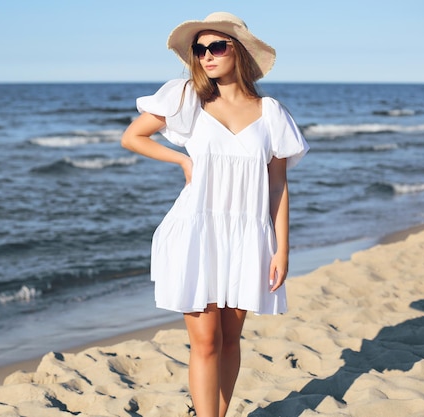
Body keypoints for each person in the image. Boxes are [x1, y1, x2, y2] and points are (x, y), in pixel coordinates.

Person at [121, 11, 309, 417]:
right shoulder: (187, 97)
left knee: (229, 339)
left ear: (237, 51)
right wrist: (182, 163)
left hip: (247, 235)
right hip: (196, 231)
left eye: (216, 47)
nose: (206, 56)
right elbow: (133, 136)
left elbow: (277, 186)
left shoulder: (271, 112)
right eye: (199, 49)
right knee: (205, 341)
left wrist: (282, 250)